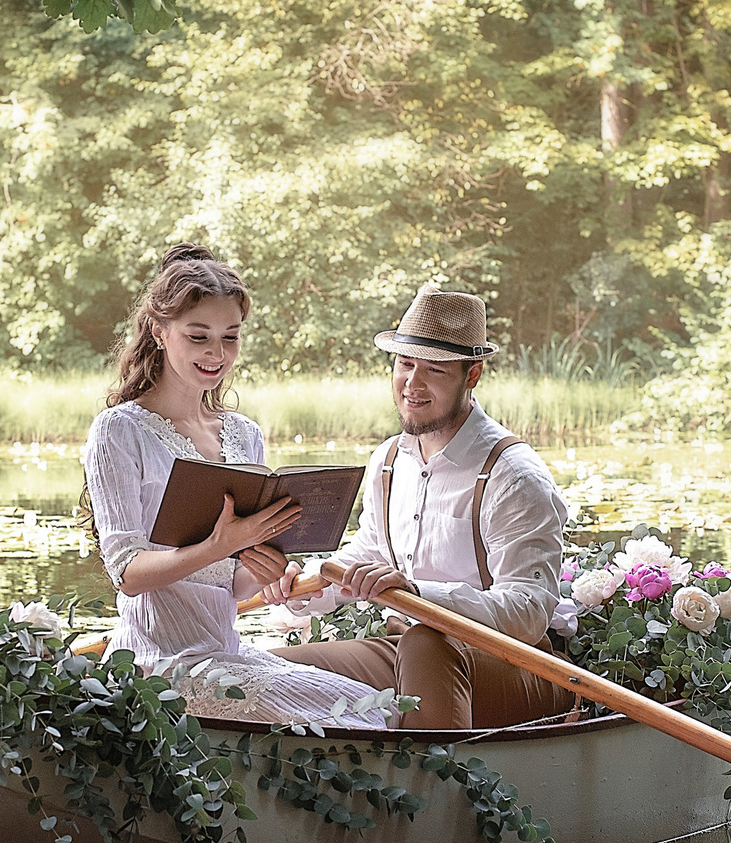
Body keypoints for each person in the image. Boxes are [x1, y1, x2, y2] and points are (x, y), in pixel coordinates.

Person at [81, 246, 399, 728]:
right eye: (199, 336)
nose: (217, 354)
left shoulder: (244, 434)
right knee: (352, 721)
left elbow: (234, 584)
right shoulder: (119, 431)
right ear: (159, 332)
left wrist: (266, 564)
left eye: (230, 338)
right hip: (156, 667)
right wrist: (220, 545)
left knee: (378, 709)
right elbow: (127, 572)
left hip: (226, 656)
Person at [276, 285, 572, 730]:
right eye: (405, 364)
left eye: (434, 369)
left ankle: (432, 795)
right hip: (406, 651)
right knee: (270, 675)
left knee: (426, 646)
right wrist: (304, 587)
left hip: (516, 665)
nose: (412, 384)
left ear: (472, 376)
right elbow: (369, 555)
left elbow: (529, 613)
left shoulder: (514, 475)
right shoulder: (389, 461)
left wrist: (418, 595)